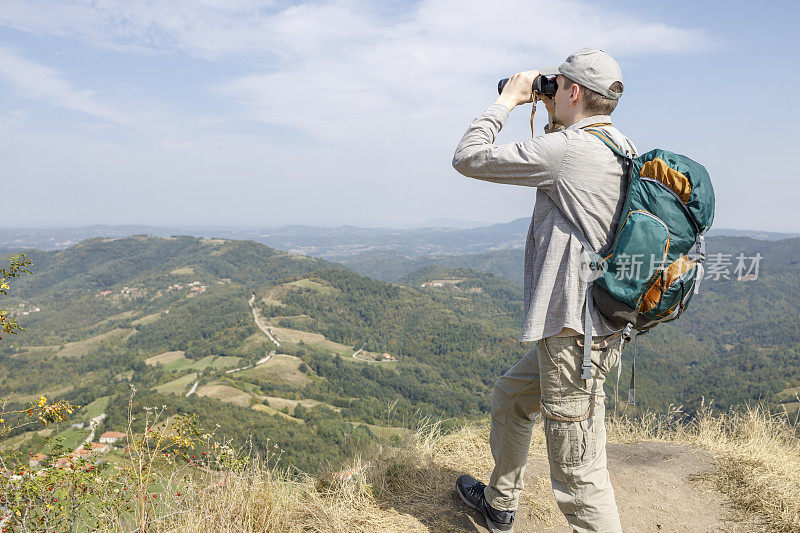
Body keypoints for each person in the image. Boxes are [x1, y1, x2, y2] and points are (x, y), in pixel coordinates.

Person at [451, 48, 635, 533]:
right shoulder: (618, 144)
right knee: (513, 396)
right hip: (590, 325)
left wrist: (509, 102)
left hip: (576, 336)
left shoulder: (569, 152)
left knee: (579, 475)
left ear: (573, 91)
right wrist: (553, 111)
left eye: (557, 84)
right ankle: (498, 503)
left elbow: (468, 158)